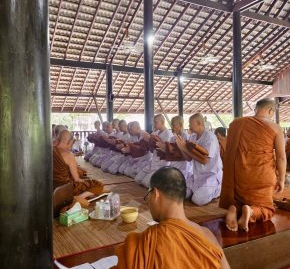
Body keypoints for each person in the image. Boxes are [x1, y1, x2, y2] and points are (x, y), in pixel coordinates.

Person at [111, 167, 230, 269]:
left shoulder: (144, 243)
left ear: (156, 194)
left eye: (148, 195)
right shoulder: (207, 236)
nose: (148, 201)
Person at [220, 98, 286, 232]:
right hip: (262, 176)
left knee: (240, 200)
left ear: (256, 109)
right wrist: (282, 179)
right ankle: (250, 211)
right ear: (271, 111)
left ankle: (235, 207)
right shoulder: (275, 128)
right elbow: (281, 157)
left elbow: (230, 151)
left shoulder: (236, 123)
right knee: (267, 209)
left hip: (240, 175)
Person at [175, 113, 223, 206]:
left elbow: (205, 160)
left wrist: (184, 148)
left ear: (199, 123)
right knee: (181, 194)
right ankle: (198, 191)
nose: (189, 126)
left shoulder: (210, 137)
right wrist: (181, 147)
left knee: (197, 200)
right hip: (197, 175)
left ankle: (218, 189)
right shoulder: (192, 137)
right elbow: (188, 158)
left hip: (210, 175)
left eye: (190, 124)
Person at [53, 130, 104, 199]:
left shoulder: (49, 150)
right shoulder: (69, 155)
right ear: (70, 141)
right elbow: (76, 179)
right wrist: (84, 181)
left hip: (50, 187)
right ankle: (79, 198)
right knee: (97, 184)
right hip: (65, 189)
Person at [135, 114, 173, 187]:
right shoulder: (155, 133)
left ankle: (163, 178)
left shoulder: (168, 134)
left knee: (146, 183)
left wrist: (151, 140)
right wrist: (148, 141)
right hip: (154, 162)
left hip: (162, 163)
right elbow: (152, 151)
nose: (154, 124)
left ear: (162, 122)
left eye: (156, 122)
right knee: (137, 179)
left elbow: (167, 151)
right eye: (154, 122)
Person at [156, 115, 193, 180]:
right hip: (173, 166)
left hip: (183, 167)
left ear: (180, 125)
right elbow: (169, 153)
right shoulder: (172, 138)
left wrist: (171, 149)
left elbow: (187, 155)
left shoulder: (187, 137)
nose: (172, 127)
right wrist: (164, 148)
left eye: (174, 125)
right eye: (171, 125)